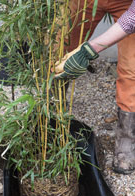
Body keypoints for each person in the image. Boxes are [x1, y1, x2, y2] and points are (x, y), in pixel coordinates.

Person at [53, 0, 135, 175]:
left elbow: (133, 17)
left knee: (131, 70)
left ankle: (126, 140)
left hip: (127, 4)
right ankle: (52, 109)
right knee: (60, 47)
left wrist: (89, 50)